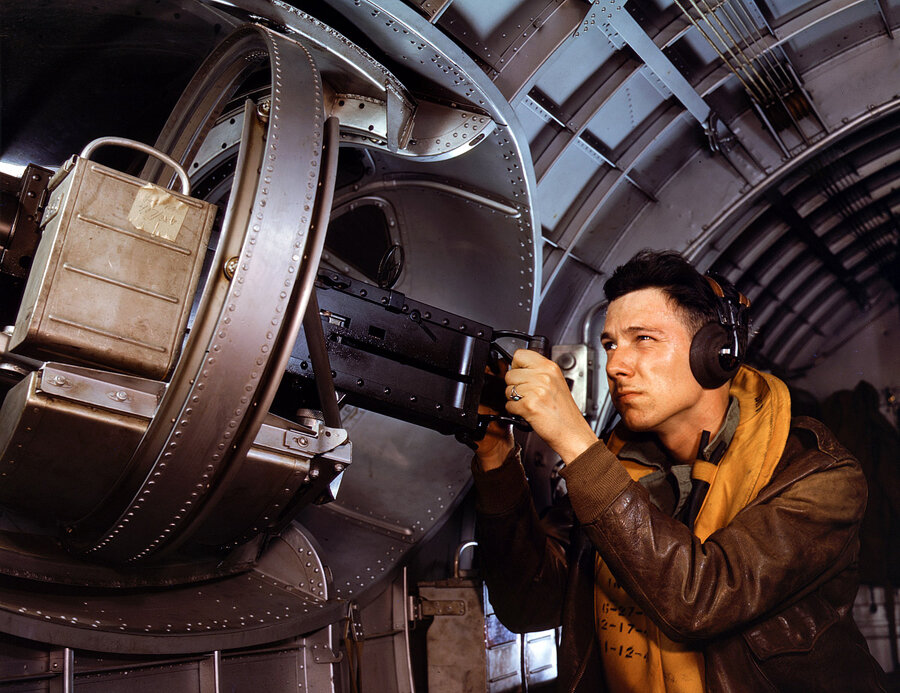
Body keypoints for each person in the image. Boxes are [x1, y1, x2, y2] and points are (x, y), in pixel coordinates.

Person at [471, 249, 887, 692]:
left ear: (717, 352)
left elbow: (699, 601)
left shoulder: (818, 476)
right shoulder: (612, 473)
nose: (615, 365)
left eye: (644, 339)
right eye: (610, 343)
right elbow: (529, 604)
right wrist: (497, 456)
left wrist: (576, 440)